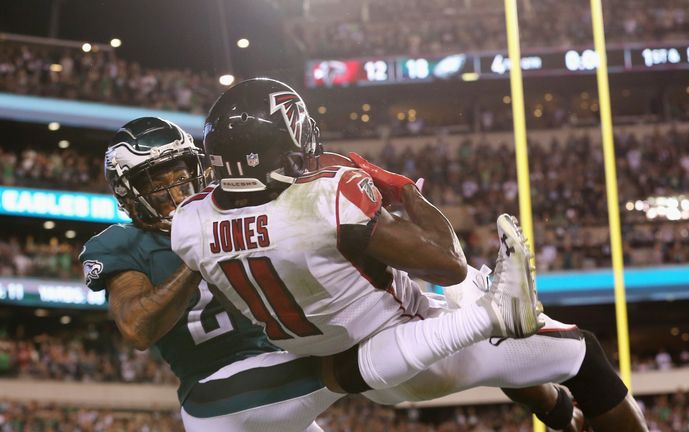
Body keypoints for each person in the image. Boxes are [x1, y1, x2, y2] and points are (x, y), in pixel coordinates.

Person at [172, 78, 648, 431]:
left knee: (483, 321)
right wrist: (400, 192)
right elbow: (445, 262)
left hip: (342, 364)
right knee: (582, 353)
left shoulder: (190, 224)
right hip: (413, 345)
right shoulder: (322, 200)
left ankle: (562, 416)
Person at [82, 117, 584, 432]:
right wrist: (196, 257)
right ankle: (493, 320)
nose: (175, 189)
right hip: (222, 392)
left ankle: (548, 397)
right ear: (127, 191)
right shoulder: (121, 244)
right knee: (364, 356)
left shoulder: (226, 208)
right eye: (156, 180)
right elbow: (137, 327)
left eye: (180, 172)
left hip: (282, 369)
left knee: (399, 325)